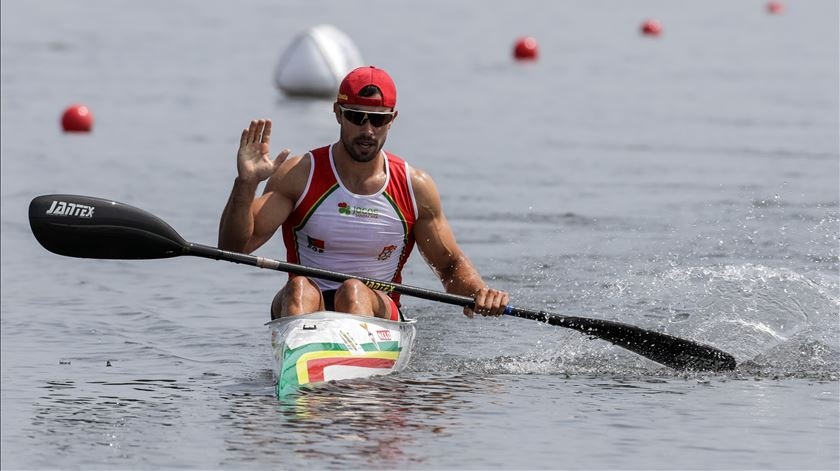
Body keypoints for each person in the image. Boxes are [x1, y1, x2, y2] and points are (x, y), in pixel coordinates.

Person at [218, 65, 508, 321]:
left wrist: (479, 292)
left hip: (375, 306)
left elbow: (450, 266)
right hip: (306, 303)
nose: (367, 130)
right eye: (357, 117)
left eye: (378, 120)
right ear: (338, 113)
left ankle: (347, 373)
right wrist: (246, 184)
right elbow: (234, 248)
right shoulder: (299, 175)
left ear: (392, 119)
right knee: (297, 288)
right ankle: (304, 368)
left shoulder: (414, 186)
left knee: (353, 292)